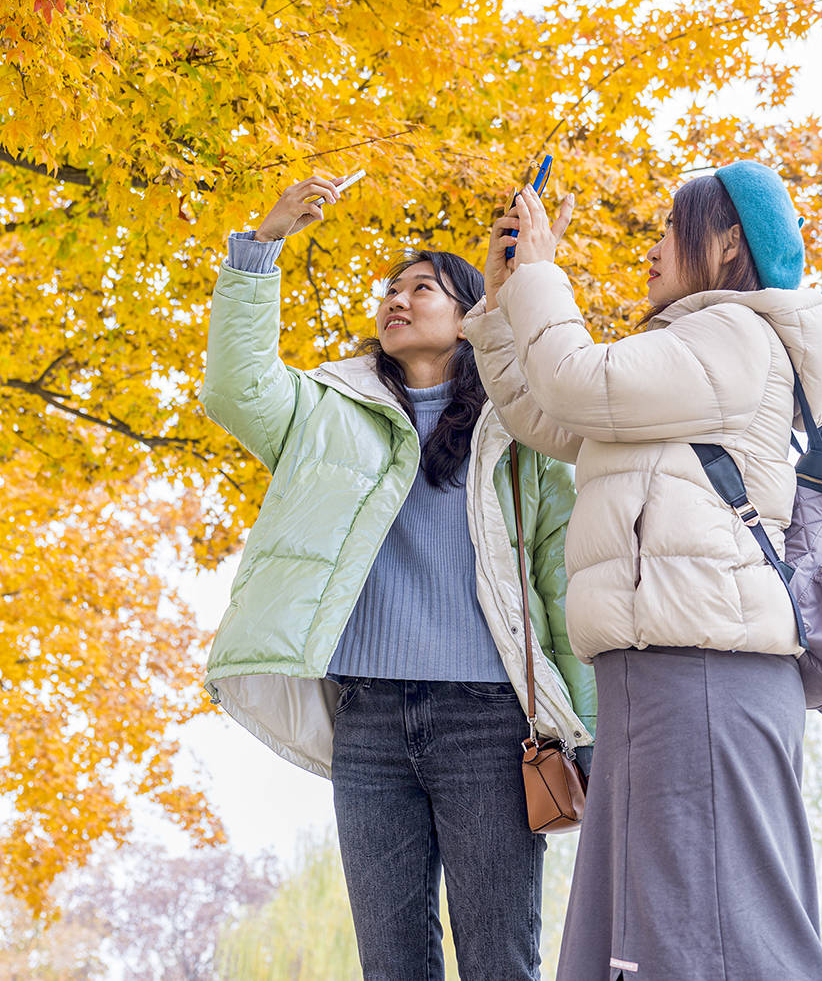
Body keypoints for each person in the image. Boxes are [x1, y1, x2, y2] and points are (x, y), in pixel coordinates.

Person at [200, 174, 596, 981]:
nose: (397, 300)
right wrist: (263, 243)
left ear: (470, 315)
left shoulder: (517, 430)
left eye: (423, 288)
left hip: (489, 726)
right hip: (370, 722)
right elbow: (234, 386)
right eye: (389, 290)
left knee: (501, 963)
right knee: (391, 967)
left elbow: (560, 583)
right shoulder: (324, 413)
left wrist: (589, 731)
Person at [465, 161, 822, 981]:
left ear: (729, 239)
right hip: (663, 677)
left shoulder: (735, 336)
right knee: (642, 938)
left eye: (672, 227)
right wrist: (501, 312)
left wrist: (541, 272)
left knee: (712, 937)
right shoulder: (684, 351)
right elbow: (551, 415)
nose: (655, 246)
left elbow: (578, 380)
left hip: (703, 674)